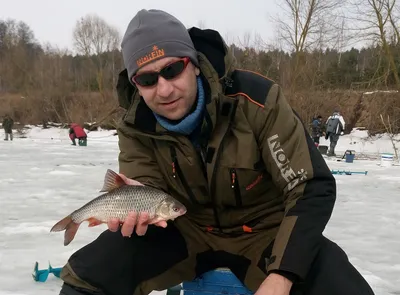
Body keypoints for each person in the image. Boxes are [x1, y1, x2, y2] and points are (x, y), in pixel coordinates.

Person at [58, 9, 375, 295]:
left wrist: (282, 275)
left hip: (265, 233)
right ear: (135, 84)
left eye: (172, 69)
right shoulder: (134, 126)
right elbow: (147, 186)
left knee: (342, 284)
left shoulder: (258, 102)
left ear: (193, 64)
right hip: (185, 229)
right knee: (89, 272)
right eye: (147, 79)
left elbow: (310, 187)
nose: (164, 89)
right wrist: (138, 203)